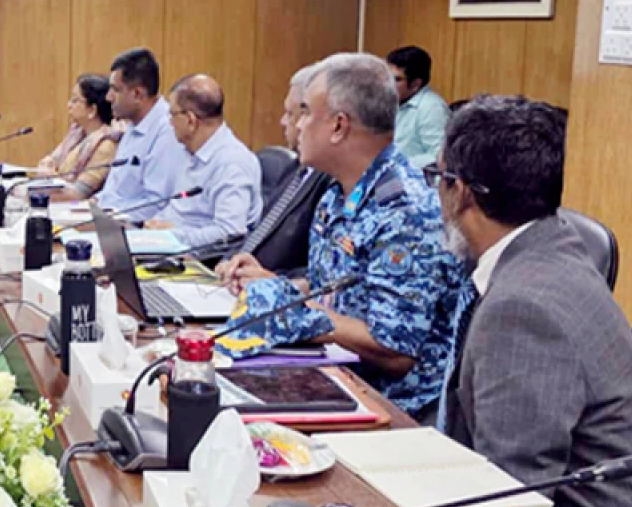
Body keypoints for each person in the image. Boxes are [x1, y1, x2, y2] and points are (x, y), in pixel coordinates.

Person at [220, 53, 464, 420]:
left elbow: (394, 350)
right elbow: (340, 288)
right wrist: (278, 286)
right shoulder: (338, 192)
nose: (296, 126)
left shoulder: (406, 213)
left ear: (338, 126)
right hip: (330, 375)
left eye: (305, 113)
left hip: (389, 410)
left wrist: (296, 312)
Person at [434, 96, 632, 507]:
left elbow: (510, 495)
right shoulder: (554, 245)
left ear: (459, 192)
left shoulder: (522, 309)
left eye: (436, 176)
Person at [203, 66, 332, 277]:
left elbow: (318, 272)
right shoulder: (295, 168)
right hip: (239, 281)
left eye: (291, 114)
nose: (287, 122)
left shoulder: (329, 181)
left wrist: (269, 281)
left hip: (275, 293)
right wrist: (230, 259)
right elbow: (258, 230)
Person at [144, 74, 261, 248]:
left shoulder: (232, 163)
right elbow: (178, 211)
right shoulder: (188, 151)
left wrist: (172, 237)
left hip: (199, 257)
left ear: (190, 120)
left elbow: (230, 231)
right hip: (166, 245)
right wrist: (154, 226)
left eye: (172, 115)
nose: (169, 123)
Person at [93, 48, 190, 223]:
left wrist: (104, 217)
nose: (108, 97)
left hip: (135, 229)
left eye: (115, 89)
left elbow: (155, 205)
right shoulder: (133, 123)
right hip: (109, 221)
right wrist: (92, 204)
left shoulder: (167, 130)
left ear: (137, 94)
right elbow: (115, 190)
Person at [36, 74, 118, 200]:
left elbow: (78, 193)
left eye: (75, 100)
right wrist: (46, 166)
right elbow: (51, 159)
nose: (69, 105)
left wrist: (32, 194)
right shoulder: (77, 133)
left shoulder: (106, 146)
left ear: (92, 110)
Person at [387, 46, 449, 168]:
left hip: (416, 182)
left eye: (396, 79)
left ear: (415, 84)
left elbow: (441, 156)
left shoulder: (432, 108)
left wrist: (397, 164)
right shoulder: (391, 102)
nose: (388, 84)